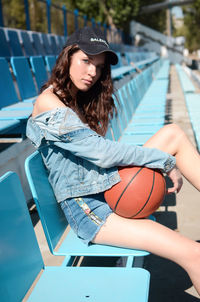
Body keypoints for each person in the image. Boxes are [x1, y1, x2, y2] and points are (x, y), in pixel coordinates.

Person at [26, 26, 200, 295]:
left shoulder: (74, 98)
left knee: (173, 134)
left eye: (98, 65)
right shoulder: (49, 103)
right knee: (194, 254)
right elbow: (103, 153)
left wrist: (162, 159)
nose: (93, 72)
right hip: (91, 210)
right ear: (67, 57)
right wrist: (164, 161)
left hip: (103, 185)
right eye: (85, 61)